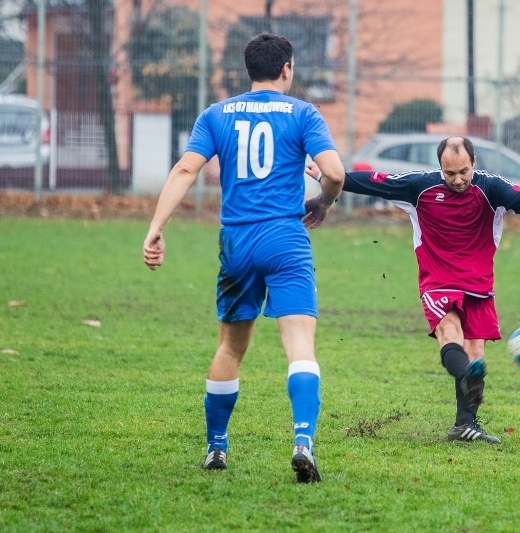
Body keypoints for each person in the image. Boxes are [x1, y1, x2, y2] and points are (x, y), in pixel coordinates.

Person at [143, 33, 345, 483]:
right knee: (300, 344)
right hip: (286, 239)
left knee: (231, 347)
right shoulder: (303, 113)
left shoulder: (216, 114)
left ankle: (216, 447)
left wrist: (156, 226)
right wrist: (324, 201)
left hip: (236, 241)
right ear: (287, 69)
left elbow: (186, 169)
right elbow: (334, 173)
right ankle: (302, 441)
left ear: (249, 69)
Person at [306, 136, 520, 444]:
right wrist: (332, 176)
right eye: (449, 173)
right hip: (438, 280)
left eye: (463, 172)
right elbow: (375, 181)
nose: (457, 179)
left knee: (476, 353)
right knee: (449, 331)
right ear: (440, 167)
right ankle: (466, 378)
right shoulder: (420, 186)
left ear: (473, 163)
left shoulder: (490, 187)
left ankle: (465, 425)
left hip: (478, 283)